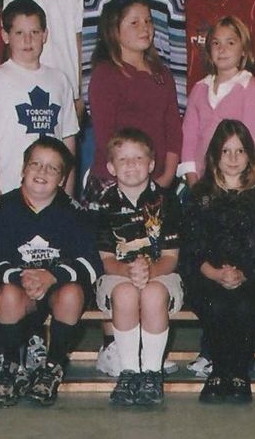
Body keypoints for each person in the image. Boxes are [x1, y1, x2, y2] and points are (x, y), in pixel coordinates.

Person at [0, 137, 98, 405]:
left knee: (72, 294)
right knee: (8, 295)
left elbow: (91, 263)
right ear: (23, 169)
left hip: (57, 289)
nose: (42, 172)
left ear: (62, 179)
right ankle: (10, 366)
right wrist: (20, 278)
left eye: (52, 168)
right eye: (36, 164)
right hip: (19, 289)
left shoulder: (74, 212)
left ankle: (52, 367)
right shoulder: (3, 208)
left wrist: (52, 276)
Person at [75, 127, 178, 406]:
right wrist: (129, 272)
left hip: (162, 272)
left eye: (138, 158)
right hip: (117, 273)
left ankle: (152, 373)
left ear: (152, 164)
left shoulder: (167, 201)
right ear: (111, 167)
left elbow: (171, 256)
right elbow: (107, 259)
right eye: (123, 159)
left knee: (153, 294)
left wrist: (150, 272)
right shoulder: (103, 204)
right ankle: (129, 371)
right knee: (124, 294)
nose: (131, 165)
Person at [177, 119, 255, 402]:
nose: (233, 158)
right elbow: (191, 246)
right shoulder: (200, 195)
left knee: (244, 304)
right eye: (226, 151)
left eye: (240, 151)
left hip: (250, 276)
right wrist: (214, 273)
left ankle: (240, 372)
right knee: (217, 303)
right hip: (206, 275)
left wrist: (243, 274)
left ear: (250, 156)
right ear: (214, 155)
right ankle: (219, 370)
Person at [0, 0, 77, 211]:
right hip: (9, 188)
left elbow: (69, 139)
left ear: (45, 35)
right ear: (5, 36)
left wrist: (68, 192)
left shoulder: (60, 80)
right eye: (19, 33)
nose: (28, 40)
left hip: (51, 193)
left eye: (35, 32)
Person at [85, 0, 182, 186]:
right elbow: (106, 138)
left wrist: (167, 176)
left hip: (158, 181)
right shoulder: (105, 75)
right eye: (134, 23)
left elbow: (173, 131)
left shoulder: (163, 74)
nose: (145, 28)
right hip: (116, 181)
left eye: (148, 21)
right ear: (114, 30)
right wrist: (132, 182)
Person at [178, 15, 255, 181]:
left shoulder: (252, 88)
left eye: (230, 43)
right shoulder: (199, 89)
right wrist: (193, 181)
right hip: (201, 182)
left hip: (235, 181)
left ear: (243, 50)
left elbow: (250, 142)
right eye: (216, 43)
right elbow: (189, 139)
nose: (222, 49)